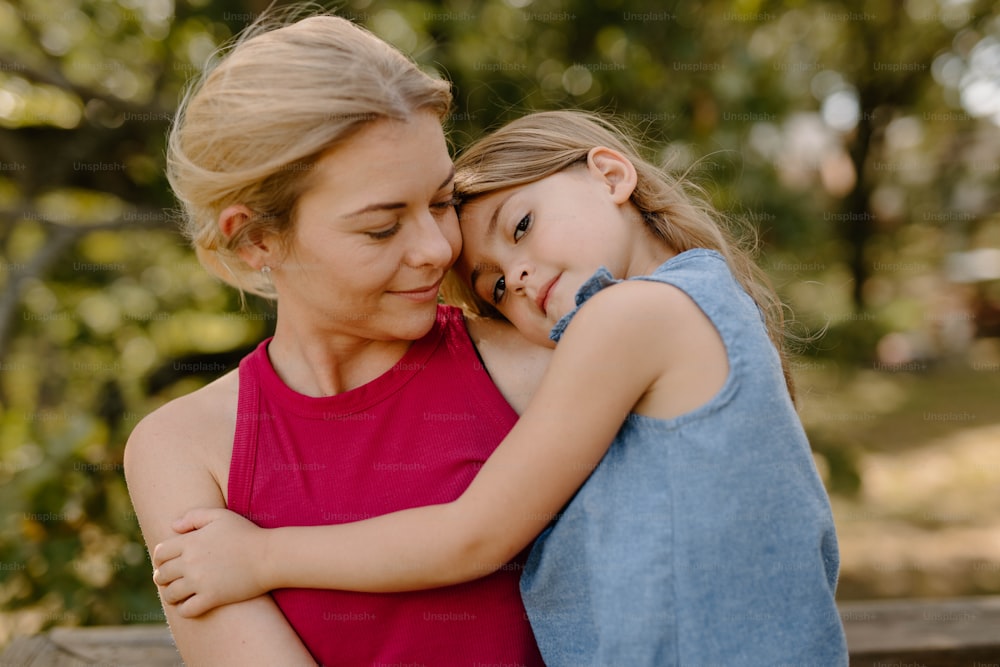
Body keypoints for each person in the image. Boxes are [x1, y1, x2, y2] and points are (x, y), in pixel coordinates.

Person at [151, 110, 851, 665]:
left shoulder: (629, 319)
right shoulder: (698, 308)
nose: (514, 277)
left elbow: (472, 533)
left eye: (521, 226)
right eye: (490, 285)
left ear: (610, 174)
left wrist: (262, 555)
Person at [123, 12, 550, 666]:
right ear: (254, 237)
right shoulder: (183, 447)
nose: (436, 249)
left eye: (441, 202)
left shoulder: (538, 371)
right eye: (382, 228)